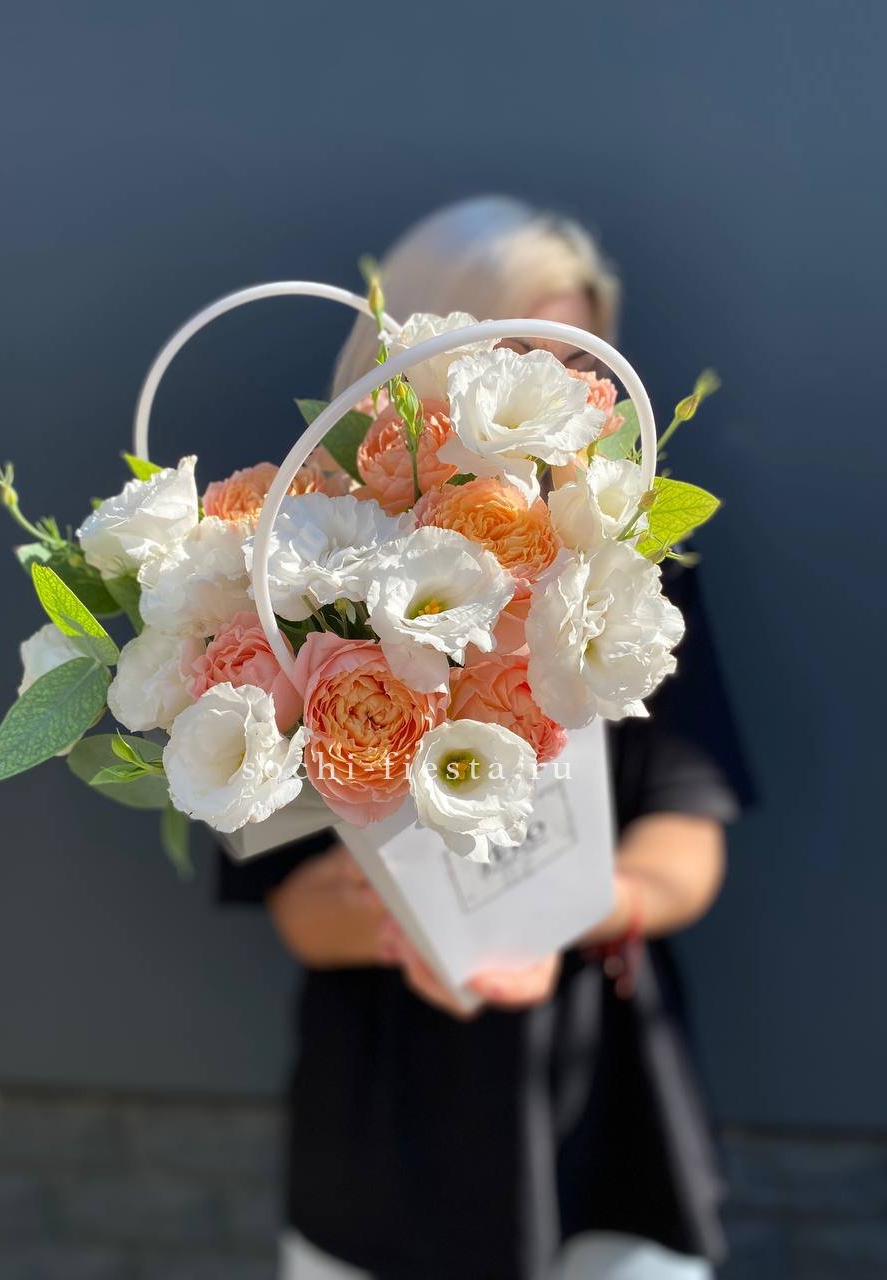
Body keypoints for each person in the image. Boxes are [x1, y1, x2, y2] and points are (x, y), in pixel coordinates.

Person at [219, 195, 754, 1280]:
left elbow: (689, 837)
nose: (550, 396)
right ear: (419, 353)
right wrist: (405, 923)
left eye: (576, 364)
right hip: (388, 1113)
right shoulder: (299, 574)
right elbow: (292, 902)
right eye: (516, 356)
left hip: (602, 1097)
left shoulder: (628, 576)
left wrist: (563, 910)